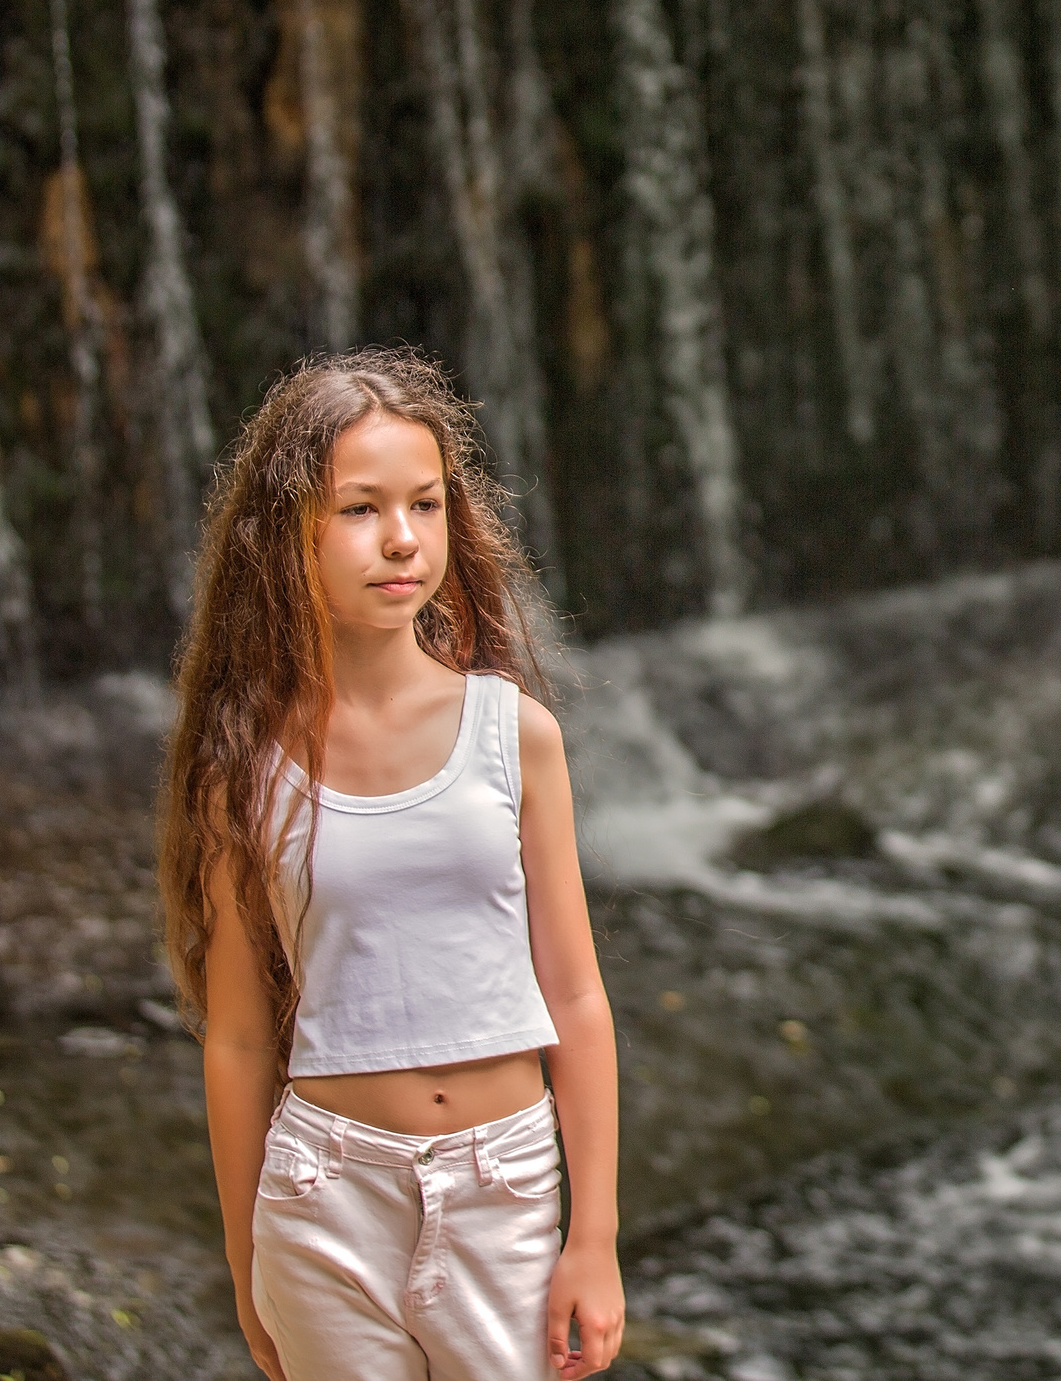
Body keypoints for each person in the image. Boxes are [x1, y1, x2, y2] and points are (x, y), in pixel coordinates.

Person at [156, 349, 624, 1380]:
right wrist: (245, 1264)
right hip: (325, 1191)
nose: (402, 539)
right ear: (288, 534)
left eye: (424, 504)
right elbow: (235, 1040)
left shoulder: (515, 736)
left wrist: (593, 1238)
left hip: (503, 1186)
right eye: (359, 509)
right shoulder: (245, 769)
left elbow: (577, 998)